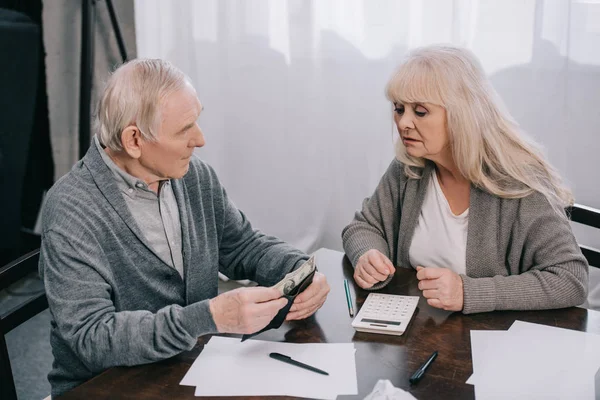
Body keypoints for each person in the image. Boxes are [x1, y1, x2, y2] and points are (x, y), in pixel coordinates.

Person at [39, 59, 330, 397]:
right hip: (107, 386)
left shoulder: (193, 177)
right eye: (184, 129)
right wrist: (208, 318)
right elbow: (94, 338)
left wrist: (299, 269)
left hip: (192, 368)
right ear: (133, 140)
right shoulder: (72, 210)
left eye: (197, 121)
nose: (200, 139)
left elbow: (242, 246)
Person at [342, 45, 588, 314]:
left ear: (461, 113)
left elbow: (571, 278)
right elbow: (364, 226)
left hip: (498, 344)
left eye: (420, 112)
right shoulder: (408, 169)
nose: (403, 123)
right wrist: (367, 253)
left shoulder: (519, 182)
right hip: (423, 339)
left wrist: (468, 292)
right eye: (399, 109)